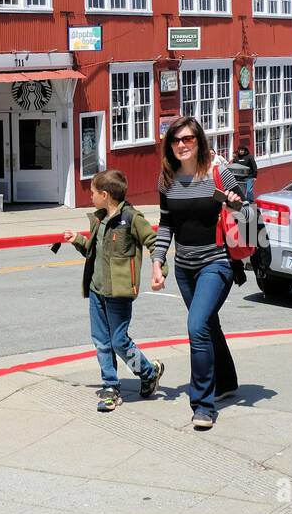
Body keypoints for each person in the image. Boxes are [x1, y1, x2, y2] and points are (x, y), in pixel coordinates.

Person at [151, 117, 244, 431]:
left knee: (196, 326)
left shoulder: (217, 173)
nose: (182, 145)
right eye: (176, 140)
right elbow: (166, 225)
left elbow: (245, 206)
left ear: (198, 141)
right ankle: (228, 381)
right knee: (207, 324)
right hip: (184, 269)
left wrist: (235, 202)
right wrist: (157, 261)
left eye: (188, 139)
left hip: (216, 263)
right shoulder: (167, 180)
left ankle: (203, 406)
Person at [62, 169, 164, 413]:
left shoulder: (131, 218)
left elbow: (154, 241)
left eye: (93, 193)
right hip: (97, 290)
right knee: (101, 341)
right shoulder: (100, 219)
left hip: (119, 292)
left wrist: (159, 268)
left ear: (105, 195)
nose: (91, 197)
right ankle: (111, 387)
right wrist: (77, 239)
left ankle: (149, 372)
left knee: (119, 341)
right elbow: (93, 251)